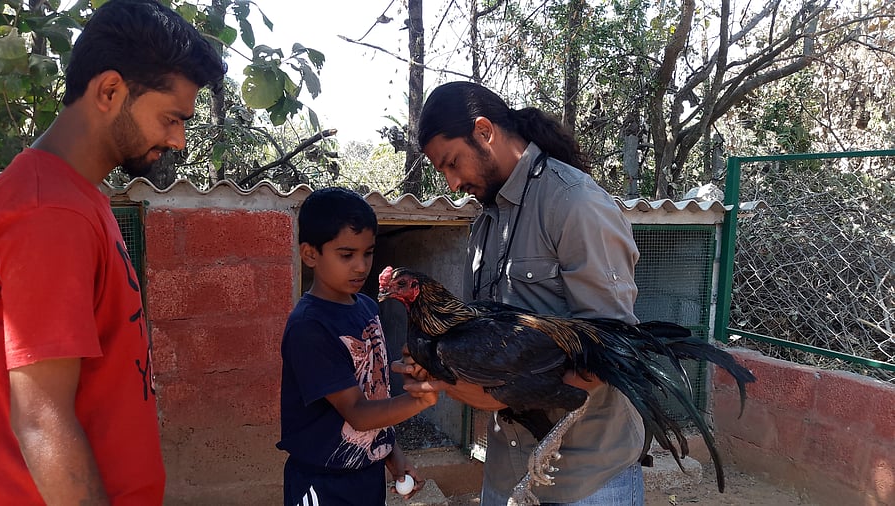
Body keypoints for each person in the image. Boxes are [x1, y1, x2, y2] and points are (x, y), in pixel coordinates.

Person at [0, 0, 226, 503]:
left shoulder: (79, 199)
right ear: (110, 91)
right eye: (171, 118)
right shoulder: (49, 211)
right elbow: (40, 416)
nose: (179, 139)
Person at [398, 81, 646, 505]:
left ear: (484, 131)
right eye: (444, 171)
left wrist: (485, 392)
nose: (453, 182)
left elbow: (614, 346)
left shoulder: (574, 204)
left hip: (586, 478)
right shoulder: (486, 224)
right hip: (508, 473)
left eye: (452, 162)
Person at [277, 187, 438, 506]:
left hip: (367, 474)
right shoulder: (309, 327)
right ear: (310, 254)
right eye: (346, 254)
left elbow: (375, 396)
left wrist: (393, 456)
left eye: (368, 253)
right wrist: (422, 399)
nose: (361, 266)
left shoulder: (366, 308)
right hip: (322, 482)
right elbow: (358, 413)